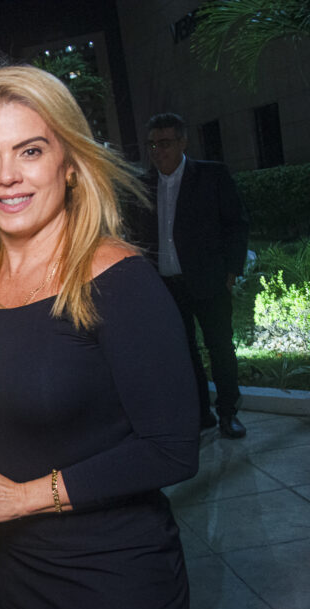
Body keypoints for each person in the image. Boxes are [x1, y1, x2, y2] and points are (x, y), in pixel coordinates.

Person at [0, 65, 200, 609]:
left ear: (68, 161)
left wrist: (22, 498)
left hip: (117, 581)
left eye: (30, 151)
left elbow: (173, 449)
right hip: (22, 579)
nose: (9, 176)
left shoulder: (118, 278)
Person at [133, 112, 249, 438]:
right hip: (166, 286)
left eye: (165, 143)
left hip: (210, 281)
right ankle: (201, 414)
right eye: (152, 144)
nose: (157, 151)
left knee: (220, 348)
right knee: (183, 354)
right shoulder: (144, 185)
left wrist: (231, 271)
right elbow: (138, 237)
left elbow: (236, 224)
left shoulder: (212, 176)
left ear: (183, 142)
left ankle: (228, 413)